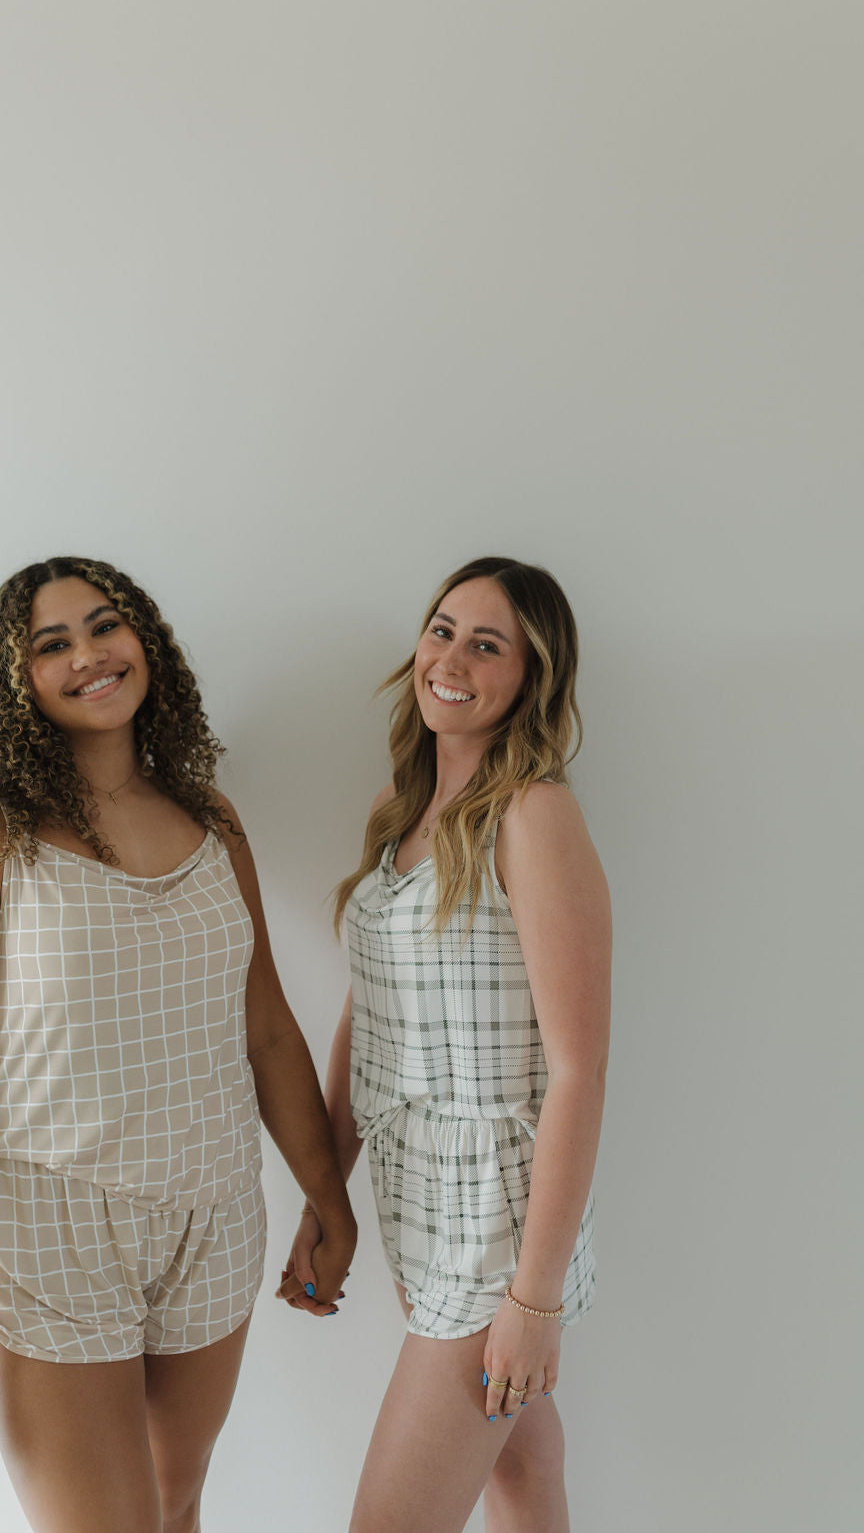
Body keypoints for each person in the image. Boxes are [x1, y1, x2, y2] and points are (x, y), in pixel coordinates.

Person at [0, 555, 356, 1533]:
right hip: (50, 1235)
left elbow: (266, 1028)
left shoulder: (210, 821)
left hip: (215, 1220)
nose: (89, 655)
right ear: (13, 680)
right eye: (51, 643)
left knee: (174, 1507)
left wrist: (326, 1195)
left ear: (145, 639)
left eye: (104, 625)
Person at [280, 556, 611, 1533]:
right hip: (414, 1202)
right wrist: (325, 1195)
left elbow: (581, 1069)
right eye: (440, 629)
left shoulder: (533, 815)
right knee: (522, 1471)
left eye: (486, 642)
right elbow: (369, 1017)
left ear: (529, 678)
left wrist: (533, 1301)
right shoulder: (404, 817)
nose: (451, 656)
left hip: (494, 1222)